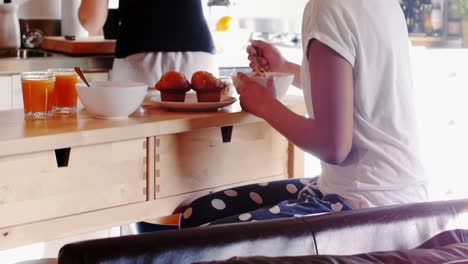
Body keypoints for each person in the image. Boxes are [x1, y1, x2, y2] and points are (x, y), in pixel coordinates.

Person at [179, 0, 428, 228]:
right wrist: (283, 68)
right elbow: (355, 90)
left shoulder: (327, 8)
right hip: (407, 199)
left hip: (362, 205)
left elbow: (333, 146)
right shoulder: (386, 5)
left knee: (201, 232)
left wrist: (265, 105)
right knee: (201, 213)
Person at [78, 0, 218, 87]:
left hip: (140, 58)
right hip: (198, 56)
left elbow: (91, 21)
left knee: (138, 132)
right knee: (199, 134)